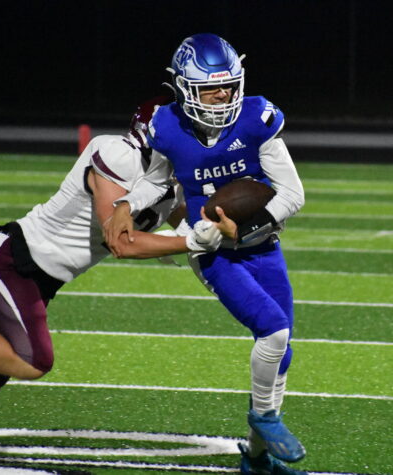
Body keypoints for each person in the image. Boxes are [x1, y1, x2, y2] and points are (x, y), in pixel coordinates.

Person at [106, 33, 307, 475]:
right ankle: (265, 418)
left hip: (262, 243)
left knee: (282, 348)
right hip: (211, 248)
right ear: (184, 88)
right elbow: (158, 182)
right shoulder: (167, 126)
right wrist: (125, 204)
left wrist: (249, 227)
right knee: (272, 331)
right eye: (209, 87)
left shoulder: (256, 117)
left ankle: (255, 457)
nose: (222, 95)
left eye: (228, 85)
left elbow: (293, 193)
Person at [0, 91, 235, 407]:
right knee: (33, 359)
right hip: (13, 262)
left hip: (40, 280)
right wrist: (192, 241)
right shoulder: (119, 155)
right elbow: (120, 241)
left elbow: (190, 229)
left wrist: (228, 246)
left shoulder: (171, 183)